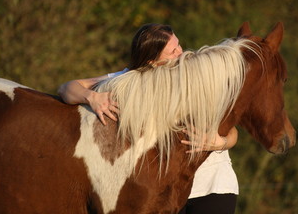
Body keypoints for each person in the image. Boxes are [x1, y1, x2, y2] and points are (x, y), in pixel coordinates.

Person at [58, 23, 239, 214]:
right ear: (152, 61)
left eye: (179, 45)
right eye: (173, 51)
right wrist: (93, 97)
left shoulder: (197, 79)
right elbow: (66, 88)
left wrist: (221, 142)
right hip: (166, 191)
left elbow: (232, 129)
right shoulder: (128, 80)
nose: (181, 53)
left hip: (212, 185)